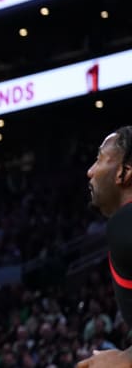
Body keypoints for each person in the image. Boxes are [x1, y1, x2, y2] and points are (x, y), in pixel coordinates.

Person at [78, 126, 132, 368]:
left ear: (125, 172)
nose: (90, 171)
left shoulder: (125, 223)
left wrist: (124, 360)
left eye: (99, 159)